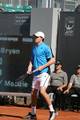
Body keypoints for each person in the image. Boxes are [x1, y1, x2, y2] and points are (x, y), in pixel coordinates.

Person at [26, 31, 55, 120]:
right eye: (35, 37)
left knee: (42, 91)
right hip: (36, 74)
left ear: (41, 38)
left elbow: (52, 60)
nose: (35, 38)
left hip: (44, 73)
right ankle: (33, 114)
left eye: (37, 37)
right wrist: (29, 68)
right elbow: (31, 60)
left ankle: (52, 111)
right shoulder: (34, 48)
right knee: (33, 94)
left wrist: (42, 66)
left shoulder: (46, 48)